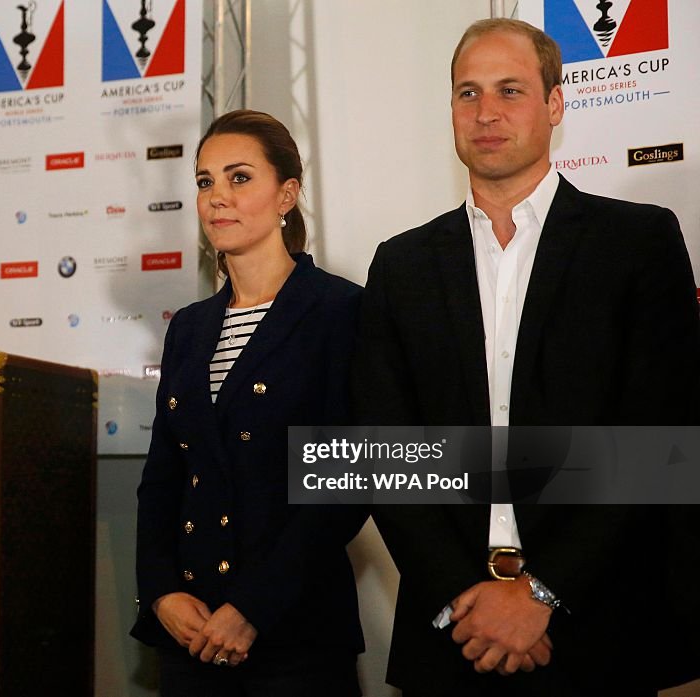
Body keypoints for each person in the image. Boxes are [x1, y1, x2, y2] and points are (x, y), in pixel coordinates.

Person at [354, 19, 700, 697]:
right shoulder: (401, 266)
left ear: (555, 105)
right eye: (467, 93)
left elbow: (660, 441)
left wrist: (541, 592)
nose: (486, 113)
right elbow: (382, 452)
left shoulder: (637, 243)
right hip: (452, 637)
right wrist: (467, 595)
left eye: (510, 90)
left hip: (597, 630)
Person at [132, 109, 366, 696]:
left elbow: (346, 484)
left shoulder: (340, 312)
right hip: (191, 634)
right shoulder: (189, 327)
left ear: (286, 194)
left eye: (239, 178)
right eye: (205, 181)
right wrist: (161, 592)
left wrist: (253, 606)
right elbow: (164, 477)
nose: (217, 198)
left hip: (295, 636)